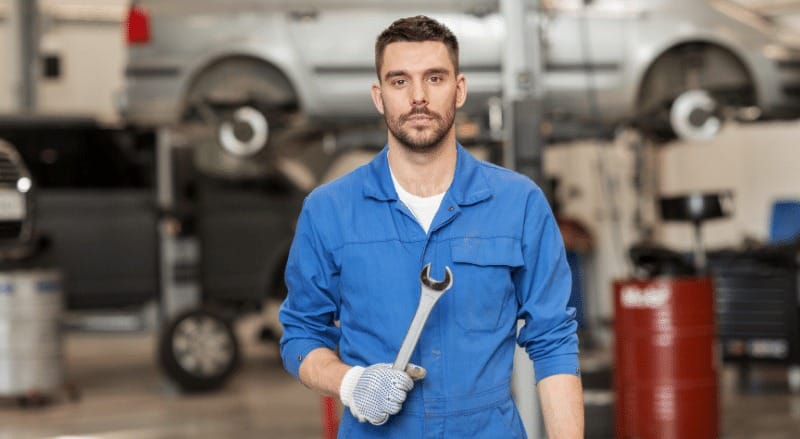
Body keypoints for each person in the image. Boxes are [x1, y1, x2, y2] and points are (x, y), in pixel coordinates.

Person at [279, 15, 583, 438]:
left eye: (434, 78)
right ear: (378, 96)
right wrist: (350, 383)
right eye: (399, 81)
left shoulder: (519, 203)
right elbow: (301, 336)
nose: (418, 97)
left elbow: (554, 341)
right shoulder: (329, 210)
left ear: (459, 90)